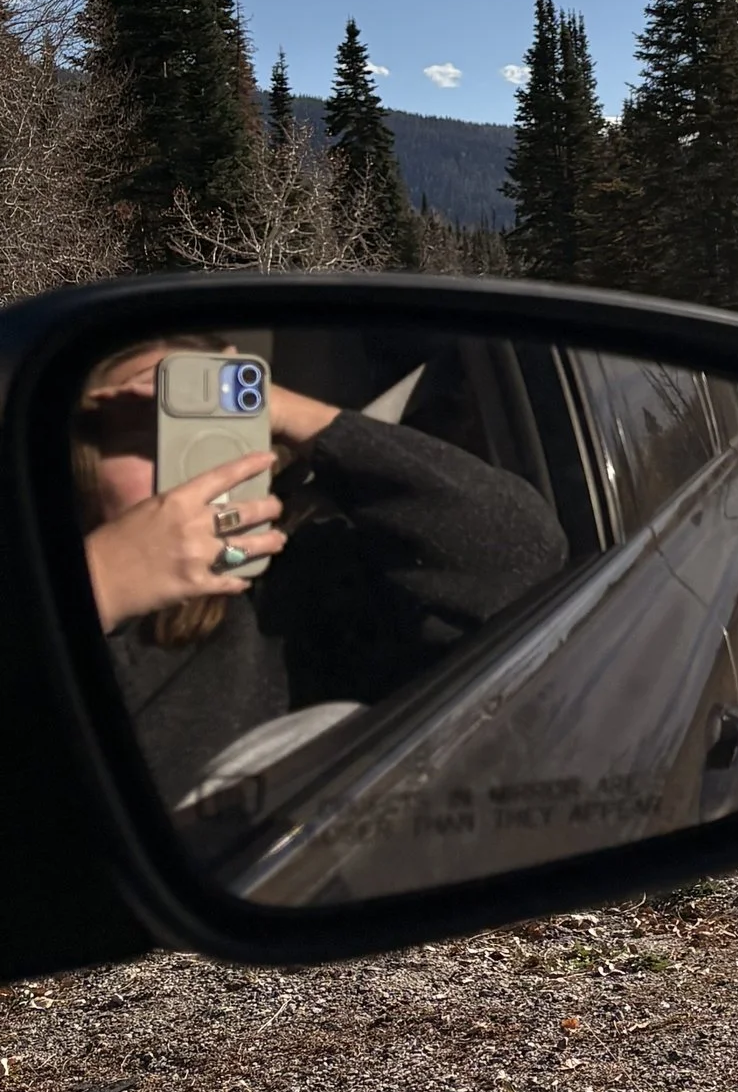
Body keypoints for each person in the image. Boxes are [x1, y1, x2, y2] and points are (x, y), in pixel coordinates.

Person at [76, 341, 569, 815]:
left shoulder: (290, 594)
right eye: (145, 438)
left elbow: (521, 555)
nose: (180, 465)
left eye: (210, 431)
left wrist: (298, 415)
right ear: (85, 465)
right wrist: (101, 580)